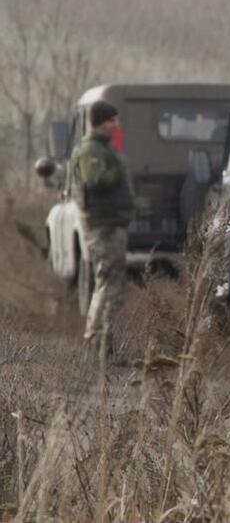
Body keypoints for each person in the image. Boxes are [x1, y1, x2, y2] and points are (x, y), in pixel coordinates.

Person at [70, 100, 134, 359]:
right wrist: (115, 172)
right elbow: (95, 180)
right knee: (108, 285)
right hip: (103, 227)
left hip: (109, 224)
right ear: (103, 122)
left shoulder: (101, 149)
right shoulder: (92, 151)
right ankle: (96, 344)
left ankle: (102, 347)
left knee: (109, 285)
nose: (117, 126)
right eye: (113, 121)